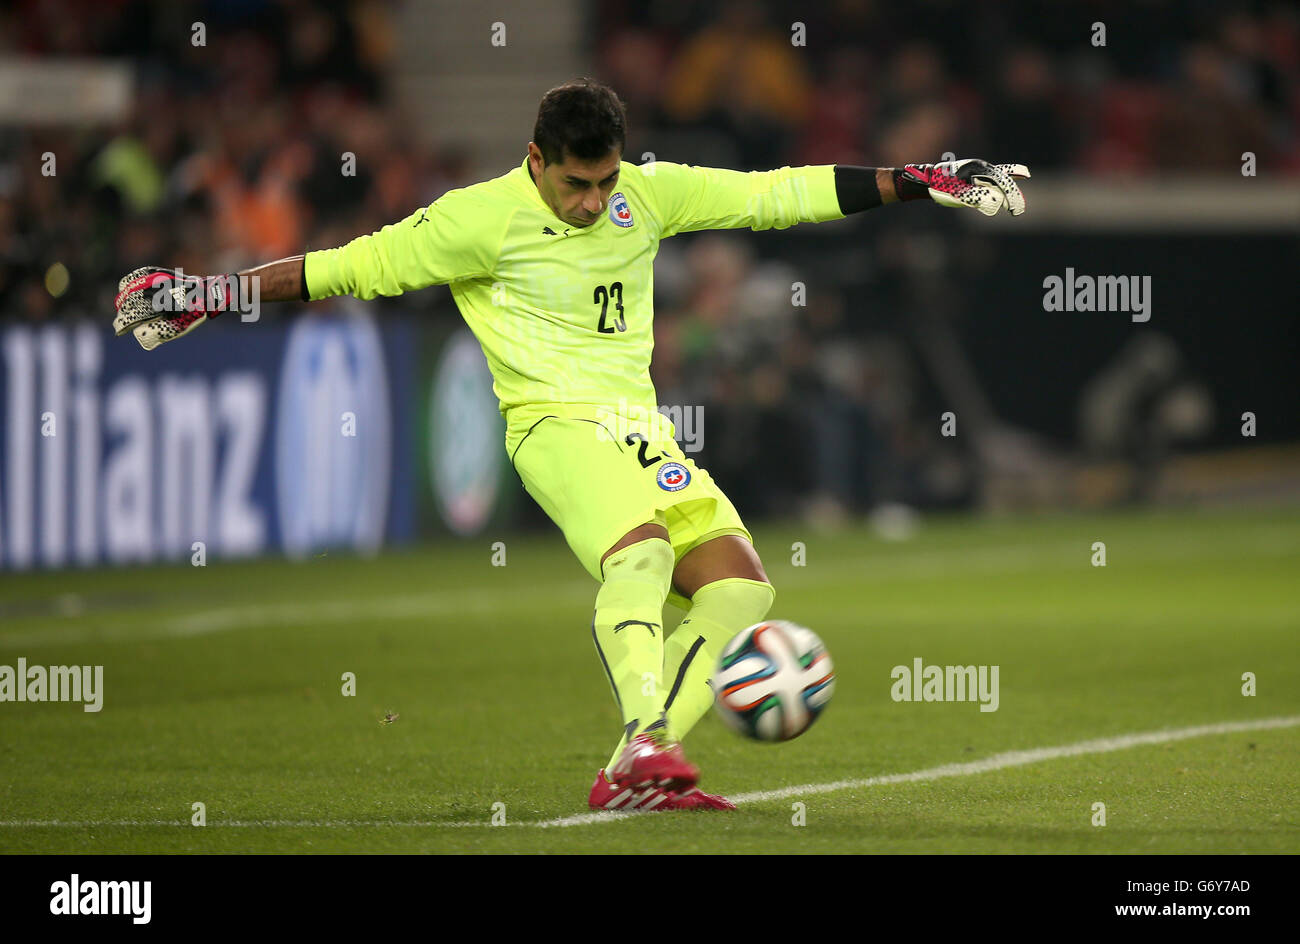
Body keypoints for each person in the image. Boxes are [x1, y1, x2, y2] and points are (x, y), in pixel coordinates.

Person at [112, 78, 1029, 813]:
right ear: (535, 161)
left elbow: (775, 196)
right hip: (550, 425)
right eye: (574, 184)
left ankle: (629, 771)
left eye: (605, 182)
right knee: (641, 553)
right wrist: (207, 295)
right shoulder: (477, 219)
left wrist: (918, 179)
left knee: (743, 585)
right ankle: (647, 739)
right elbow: (342, 267)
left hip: (637, 427)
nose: (594, 202)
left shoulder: (647, 193)